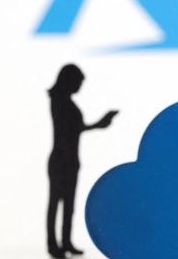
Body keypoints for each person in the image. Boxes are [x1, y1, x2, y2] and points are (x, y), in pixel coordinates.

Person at [46, 64, 118, 258]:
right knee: (56, 202)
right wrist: (96, 125)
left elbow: (75, 129)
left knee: (68, 204)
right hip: (62, 159)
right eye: (78, 82)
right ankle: (53, 245)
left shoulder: (65, 102)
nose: (79, 86)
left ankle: (66, 241)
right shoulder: (59, 101)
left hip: (70, 159)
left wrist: (98, 124)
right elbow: (67, 130)